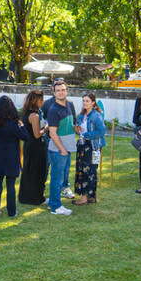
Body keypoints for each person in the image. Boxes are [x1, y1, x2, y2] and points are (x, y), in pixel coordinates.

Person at [0, 95, 29, 217]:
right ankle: (12, 211)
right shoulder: (13, 124)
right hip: (11, 158)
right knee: (10, 186)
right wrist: (21, 124)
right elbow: (26, 137)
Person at [46, 79, 78, 215]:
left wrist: (76, 129)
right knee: (56, 179)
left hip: (66, 148)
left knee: (60, 177)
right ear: (53, 92)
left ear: (67, 91)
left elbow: (69, 125)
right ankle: (55, 207)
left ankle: (53, 202)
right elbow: (52, 133)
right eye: (58, 90)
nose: (60, 92)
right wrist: (62, 150)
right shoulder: (53, 110)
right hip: (58, 150)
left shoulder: (69, 105)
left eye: (63, 90)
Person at [73, 94, 107, 205]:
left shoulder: (96, 115)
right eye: (83, 100)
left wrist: (87, 135)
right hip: (83, 145)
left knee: (90, 171)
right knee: (83, 170)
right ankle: (90, 196)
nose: (84, 103)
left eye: (87, 101)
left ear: (93, 102)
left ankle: (86, 197)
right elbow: (80, 129)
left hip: (93, 147)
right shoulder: (82, 115)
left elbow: (101, 131)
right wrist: (77, 130)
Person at [18, 90, 48, 207]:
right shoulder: (34, 116)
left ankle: (26, 196)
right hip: (36, 146)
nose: (43, 102)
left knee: (29, 171)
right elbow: (37, 134)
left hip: (29, 145)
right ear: (36, 101)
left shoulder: (26, 113)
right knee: (37, 172)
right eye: (41, 100)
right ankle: (36, 197)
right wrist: (46, 127)